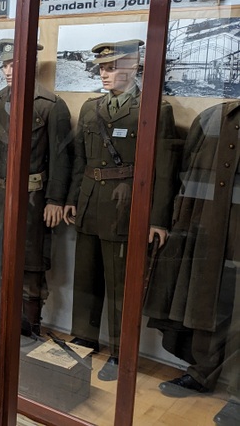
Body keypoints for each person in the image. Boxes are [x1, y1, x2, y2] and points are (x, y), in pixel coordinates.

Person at [64, 39, 178, 381]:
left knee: (119, 286)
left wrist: (157, 219)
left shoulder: (154, 110)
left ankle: (119, 350)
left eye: (112, 67)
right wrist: (71, 199)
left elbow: (164, 170)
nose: (105, 73)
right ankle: (83, 339)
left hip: (126, 207)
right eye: (102, 67)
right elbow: (80, 161)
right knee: (85, 278)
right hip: (89, 202)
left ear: (133, 68)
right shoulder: (90, 108)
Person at [142, 101, 238, 424]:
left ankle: (237, 397)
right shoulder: (214, 117)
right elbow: (186, 175)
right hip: (210, 231)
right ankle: (201, 373)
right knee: (207, 301)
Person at [0, 39, 73, 337]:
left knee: (30, 265)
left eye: (15, 63)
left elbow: (60, 158)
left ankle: (28, 328)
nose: (9, 70)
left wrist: (54, 199)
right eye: (5, 64)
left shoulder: (52, 106)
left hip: (33, 200)